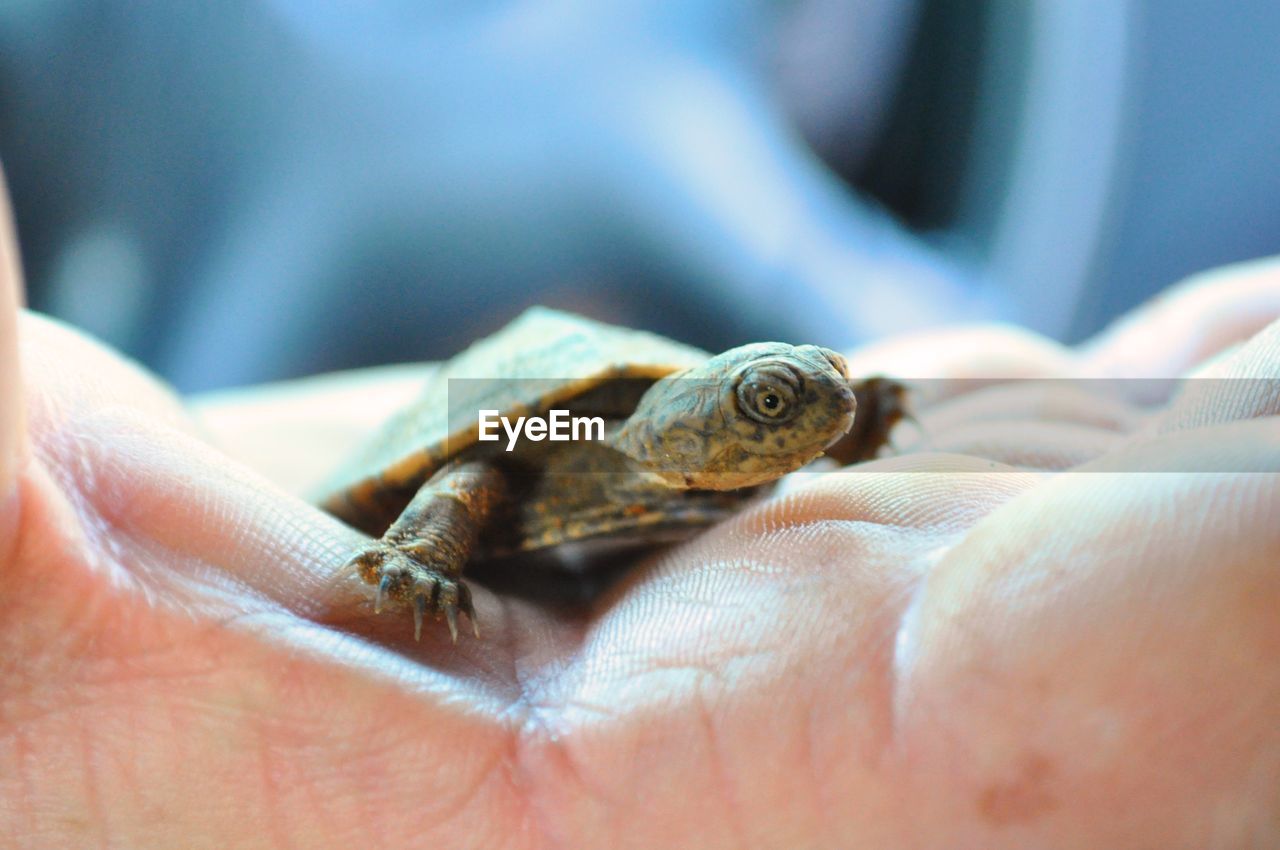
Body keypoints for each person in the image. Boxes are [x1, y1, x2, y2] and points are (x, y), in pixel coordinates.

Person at [1, 175, 1277, 847]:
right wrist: (422, 551)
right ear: (691, 411)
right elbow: (474, 466)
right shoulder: (567, 423)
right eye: (778, 398)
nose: (812, 414)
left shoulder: (735, 445)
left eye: (815, 399)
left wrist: (861, 412)